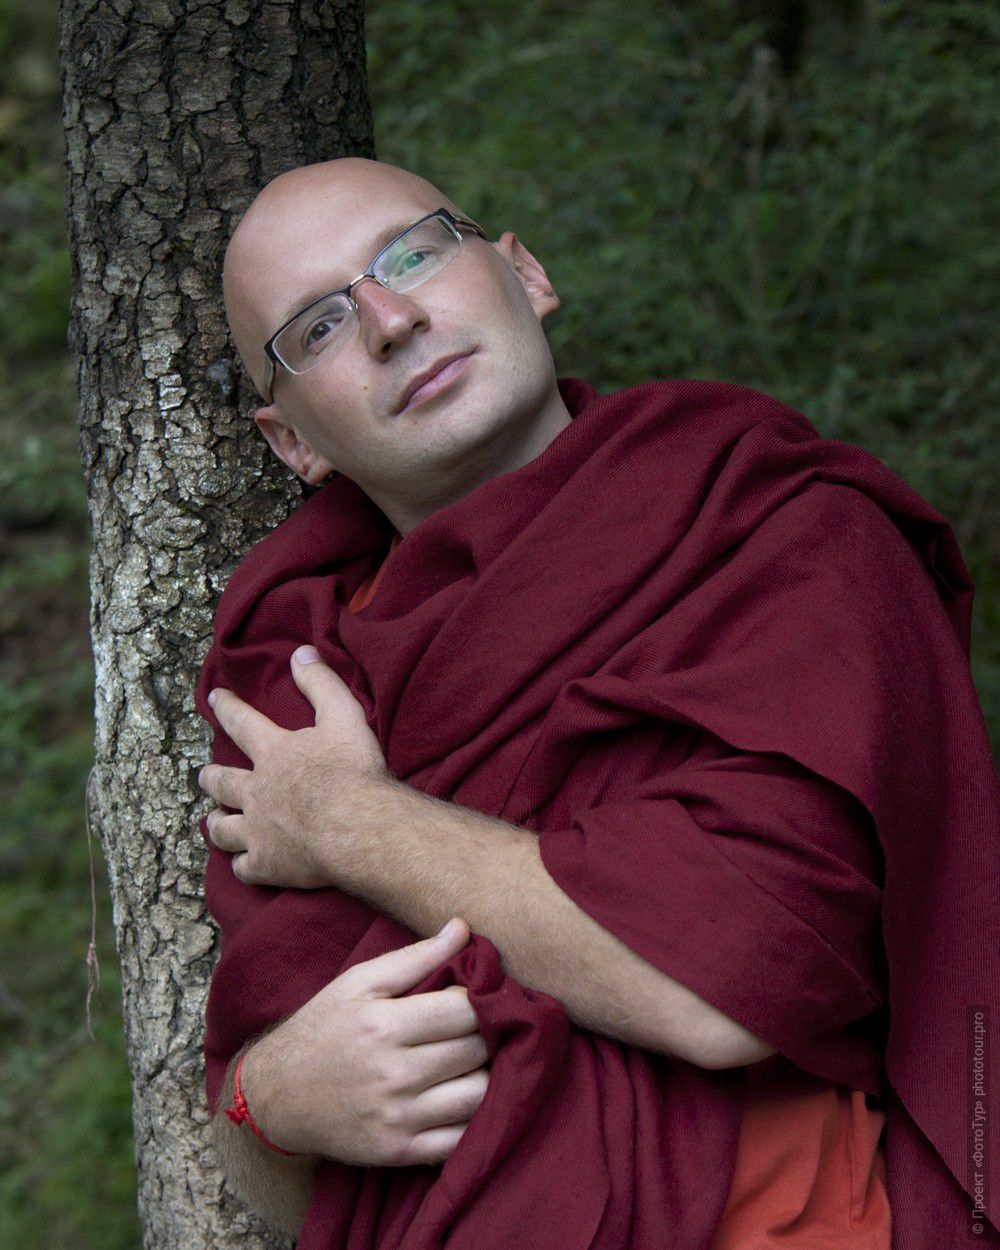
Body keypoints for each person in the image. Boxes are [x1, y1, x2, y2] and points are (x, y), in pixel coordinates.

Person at [195, 157, 999, 1249]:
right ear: (292, 441)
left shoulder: (777, 532)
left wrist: (345, 822)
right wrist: (273, 1106)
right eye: (320, 326)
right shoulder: (291, 679)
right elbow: (319, 1179)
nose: (390, 320)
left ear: (524, 274)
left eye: (414, 254)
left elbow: (728, 985)